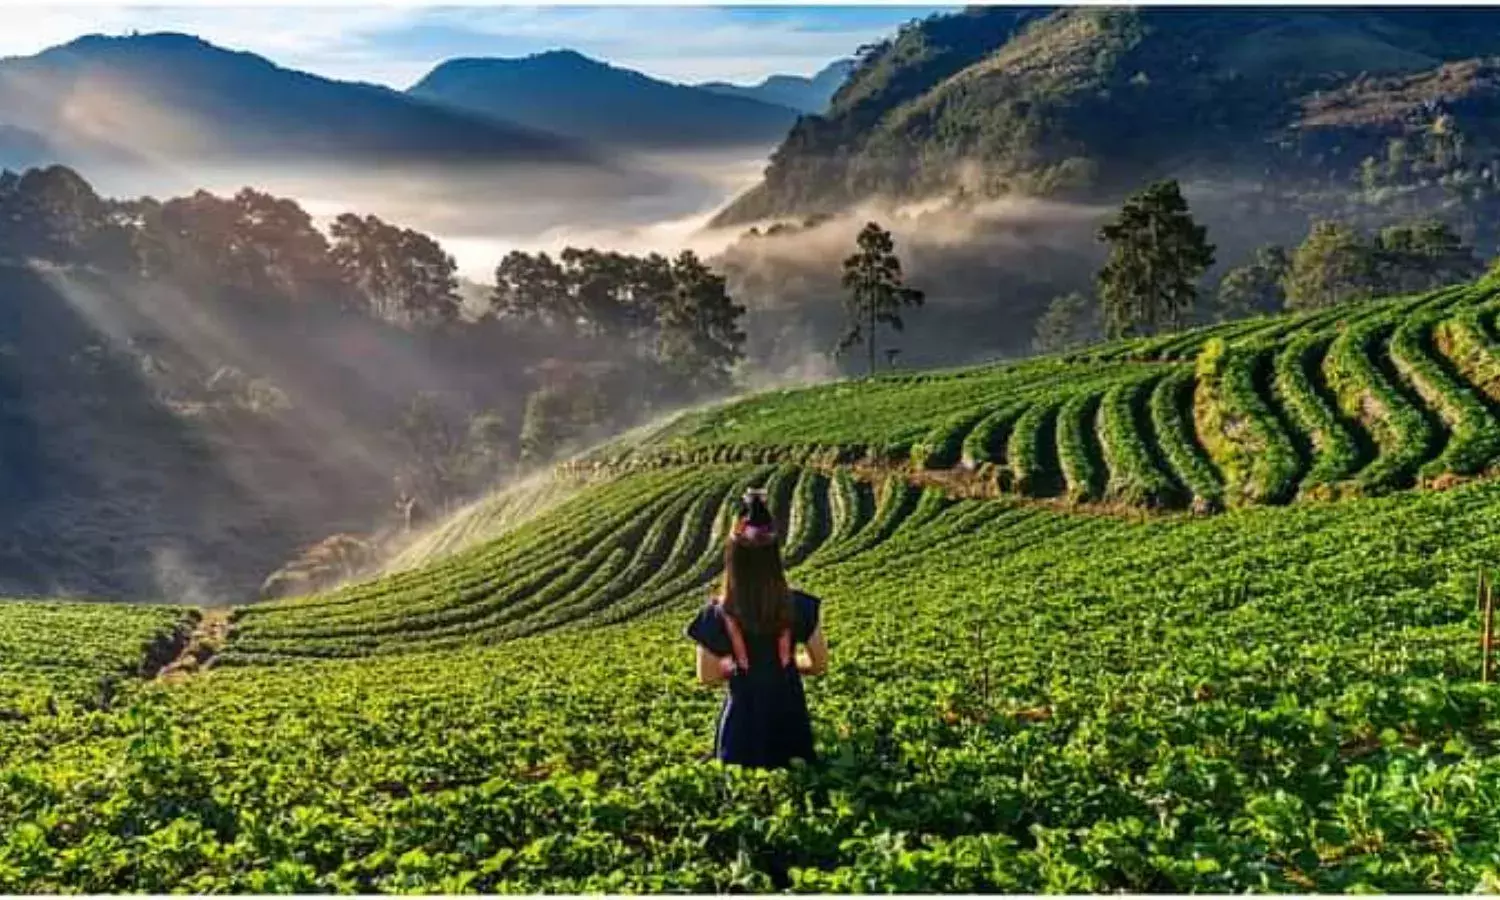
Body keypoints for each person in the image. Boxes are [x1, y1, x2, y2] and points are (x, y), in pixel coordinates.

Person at [685, 487, 829, 768]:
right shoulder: (799, 605)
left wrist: (740, 666)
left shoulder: (717, 614)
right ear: (775, 556)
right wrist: (785, 665)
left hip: (742, 731)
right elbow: (819, 664)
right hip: (791, 727)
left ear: (732, 559)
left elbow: (708, 676)